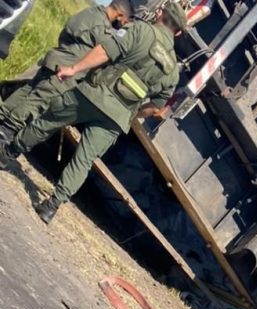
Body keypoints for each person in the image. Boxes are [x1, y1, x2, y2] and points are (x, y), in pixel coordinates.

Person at [0, 1, 185, 224]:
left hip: (93, 94)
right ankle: (51, 206)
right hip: (118, 117)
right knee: (84, 160)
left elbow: (105, 51)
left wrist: (74, 69)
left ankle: (9, 152)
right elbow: (155, 107)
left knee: (48, 120)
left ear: (160, 14)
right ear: (178, 32)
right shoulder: (173, 72)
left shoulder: (141, 30)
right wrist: (131, 114)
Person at [0, 0, 134, 139]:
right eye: (124, 21)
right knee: (38, 101)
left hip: (56, 59)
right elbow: (108, 50)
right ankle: (7, 129)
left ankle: (3, 114)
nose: (123, 25)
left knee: (27, 91)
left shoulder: (90, 13)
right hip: (65, 71)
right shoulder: (103, 28)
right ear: (119, 14)